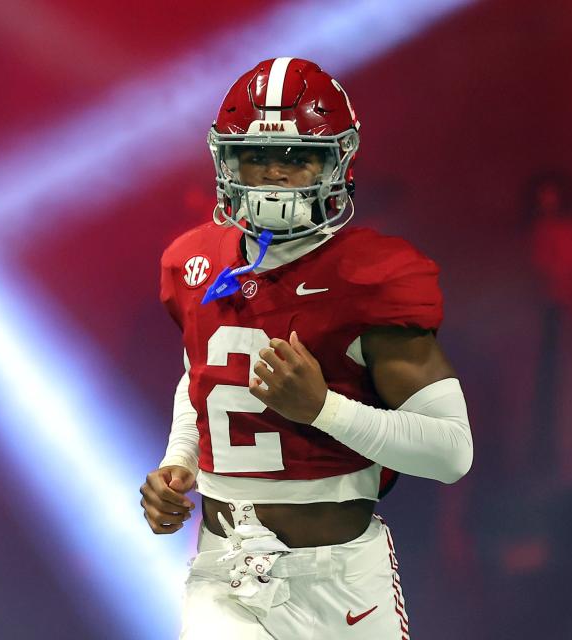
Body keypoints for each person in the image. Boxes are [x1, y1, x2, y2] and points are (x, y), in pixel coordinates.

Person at [140, 57, 473, 639]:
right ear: (226, 160)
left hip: (340, 581)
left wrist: (323, 408)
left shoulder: (370, 276)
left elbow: (451, 452)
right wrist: (179, 463)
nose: (272, 174)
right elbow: (199, 378)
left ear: (337, 163)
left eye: (297, 158)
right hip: (226, 572)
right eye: (258, 155)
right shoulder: (194, 263)